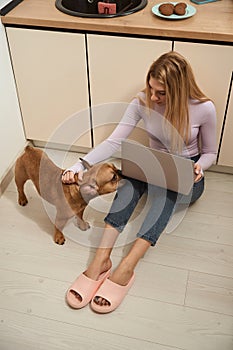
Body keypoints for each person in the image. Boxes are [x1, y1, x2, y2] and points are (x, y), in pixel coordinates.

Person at [62, 51, 217, 313]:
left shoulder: (204, 108)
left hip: (187, 175)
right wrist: (80, 165)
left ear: (178, 90)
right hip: (151, 164)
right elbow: (113, 141)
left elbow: (211, 152)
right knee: (128, 181)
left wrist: (199, 167)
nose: (153, 97)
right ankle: (101, 259)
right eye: (151, 88)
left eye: (162, 93)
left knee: (165, 193)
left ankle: (128, 265)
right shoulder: (143, 101)